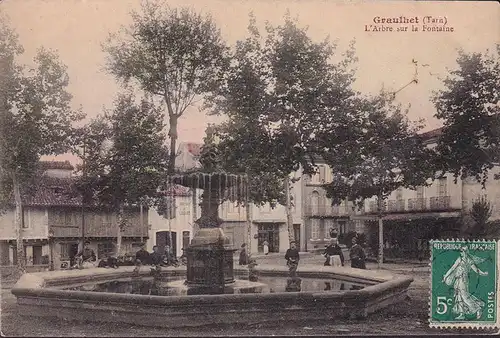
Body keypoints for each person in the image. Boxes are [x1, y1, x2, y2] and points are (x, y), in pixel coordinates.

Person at [442, 246, 488, 320]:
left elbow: (476, 270)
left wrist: (483, 273)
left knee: (464, 296)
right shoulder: (459, 259)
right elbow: (452, 268)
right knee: (459, 296)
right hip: (458, 280)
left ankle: (477, 308)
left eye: (462, 251)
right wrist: (445, 277)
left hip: (464, 280)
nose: (461, 253)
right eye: (460, 251)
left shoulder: (469, 260)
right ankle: (462, 314)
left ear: (465, 252)